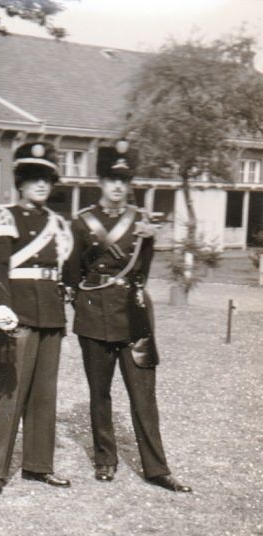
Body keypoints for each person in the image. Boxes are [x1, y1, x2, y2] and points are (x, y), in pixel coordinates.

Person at [63, 142, 192, 493]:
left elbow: (142, 273)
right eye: (111, 179)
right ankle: (105, 459)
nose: (118, 186)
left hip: (134, 317)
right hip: (93, 316)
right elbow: (72, 275)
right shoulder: (82, 223)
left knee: (143, 395)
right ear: (100, 182)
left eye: (123, 180)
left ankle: (157, 467)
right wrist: (89, 305)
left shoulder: (141, 222)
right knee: (99, 393)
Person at [0, 141, 74, 497]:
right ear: (20, 182)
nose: (41, 185)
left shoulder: (57, 223)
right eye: (33, 178)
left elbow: (65, 269)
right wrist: (0, 306)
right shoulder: (4, 216)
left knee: (44, 393)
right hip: (16, 313)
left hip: (51, 311)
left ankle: (39, 464)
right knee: (10, 393)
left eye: (46, 179)